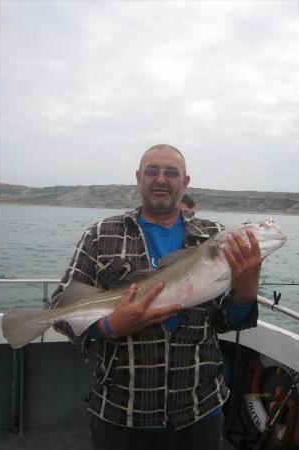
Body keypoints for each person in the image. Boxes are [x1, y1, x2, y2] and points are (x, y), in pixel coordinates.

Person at [50, 144, 261, 450]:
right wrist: (110, 327)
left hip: (199, 411)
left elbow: (228, 322)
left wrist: (247, 288)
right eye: (152, 171)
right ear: (138, 178)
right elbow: (59, 312)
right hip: (122, 413)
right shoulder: (100, 235)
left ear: (185, 182)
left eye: (171, 172)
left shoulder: (216, 239)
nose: (161, 179)